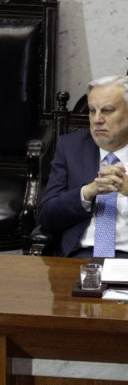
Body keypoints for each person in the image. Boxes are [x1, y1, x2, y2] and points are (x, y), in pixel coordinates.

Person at [37, 75, 128, 258]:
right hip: (82, 255)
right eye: (92, 111)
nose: (97, 120)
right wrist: (87, 192)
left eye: (107, 111)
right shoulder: (71, 147)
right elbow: (46, 216)